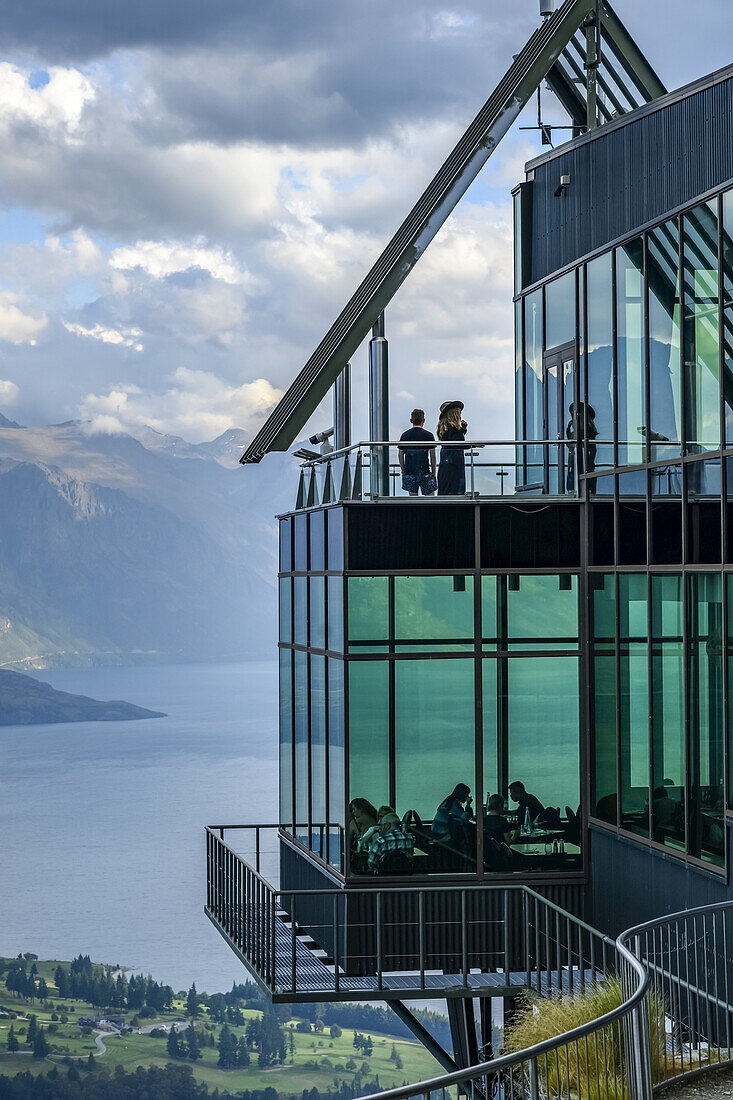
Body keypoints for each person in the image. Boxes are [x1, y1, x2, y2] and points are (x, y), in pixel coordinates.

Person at [363, 806, 414, 873]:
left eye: (382, 825)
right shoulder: (409, 839)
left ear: (388, 825)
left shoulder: (381, 841)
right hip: (405, 877)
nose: (380, 827)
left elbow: (371, 863)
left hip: (384, 878)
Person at [398, 409, 437, 496]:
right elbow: (433, 456)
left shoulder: (405, 435)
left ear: (411, 420)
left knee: (413, 499)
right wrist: (434, 472)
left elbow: (400, 455)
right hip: (425, 471)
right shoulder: (429, 435)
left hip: (410, 472)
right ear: (423, 420)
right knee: (431, 499)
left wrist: (403, 471)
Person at [437, 401, 468, 496]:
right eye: (458, 412)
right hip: (454, 467)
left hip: (446, 466)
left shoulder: (445, 428)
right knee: (456, 493)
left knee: (445, 492)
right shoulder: (453, 429)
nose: (460, 414)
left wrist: (462, 430)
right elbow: (459, 444)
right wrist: (472, 445)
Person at [566, 401, 598, 492]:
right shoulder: (584, 430)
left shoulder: (587, 431)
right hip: (578, 464)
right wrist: (568, 429)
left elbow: (571, 444)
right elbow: (570, 444)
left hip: (583, 464)